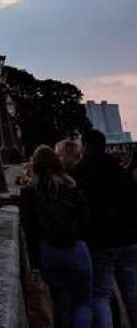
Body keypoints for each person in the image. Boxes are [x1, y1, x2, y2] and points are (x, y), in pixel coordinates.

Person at [21, 145, 94, 328]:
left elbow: (30, 229)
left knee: (62, 303)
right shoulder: (71, 186)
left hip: (48, 250)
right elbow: (85, 219)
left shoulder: (30, 192)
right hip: (76, 247)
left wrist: (34, 262)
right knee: (83, 302)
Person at [73, 128, 137, 328]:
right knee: (133, 290)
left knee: (101, 294)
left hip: (101, 241)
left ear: (85, 145)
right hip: (129, 238)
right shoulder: (121, 171)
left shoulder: (78, 174)